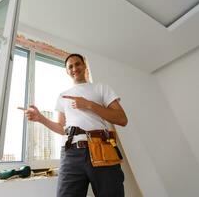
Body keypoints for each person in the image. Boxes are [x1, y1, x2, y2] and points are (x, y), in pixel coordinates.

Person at [20, 53, 128, 197]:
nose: (74, 68)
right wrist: (40, 118)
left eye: (77, 64)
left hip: (102, 148)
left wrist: (89, 104)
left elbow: (122, 119)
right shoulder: (63, 96)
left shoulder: (101, 88)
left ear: (84, 66)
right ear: (67, 71)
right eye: (70, 66)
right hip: (71, 153)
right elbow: (61, 128)